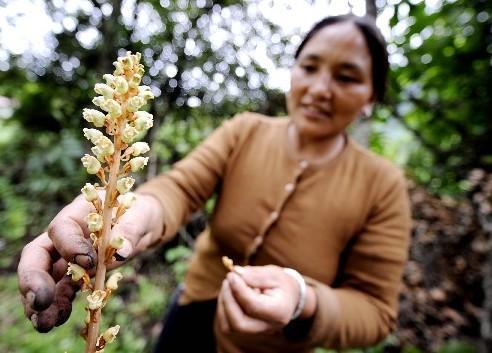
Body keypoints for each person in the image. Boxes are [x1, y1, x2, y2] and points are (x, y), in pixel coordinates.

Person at [17, 14, 411, 353]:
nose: (321, 89)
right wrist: (120, 215)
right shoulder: (246, 132)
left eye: (346, 77)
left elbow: (376, 312)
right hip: (189, 318)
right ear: (292, 71)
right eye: (309, 68)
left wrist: (303, 299)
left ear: (371, 96)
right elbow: (179, 189)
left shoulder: (383, 184)